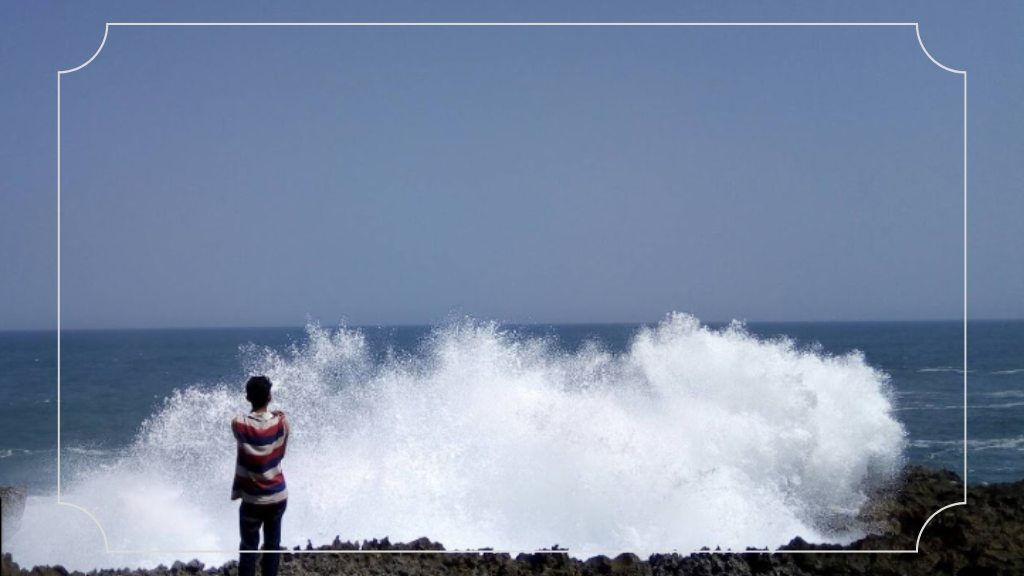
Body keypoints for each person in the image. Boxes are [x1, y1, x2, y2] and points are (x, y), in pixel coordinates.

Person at [231, 375, 290, 576]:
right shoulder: (281, 423)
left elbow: (241, 420)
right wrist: (276, 416)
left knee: (248, 547)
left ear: (248, 398)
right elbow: (281, 453)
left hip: (252, 499)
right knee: (272, 546)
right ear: (270, 397)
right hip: (277, 495)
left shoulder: (239, 424)